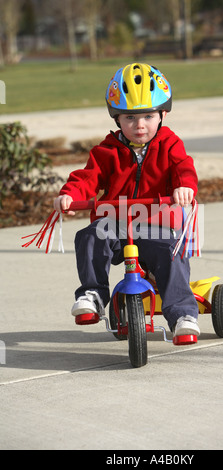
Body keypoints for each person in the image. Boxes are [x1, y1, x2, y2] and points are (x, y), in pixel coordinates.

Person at [53, 63, 200, 339]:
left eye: (147, 116)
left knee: (172, 253)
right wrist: (71, 194)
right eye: (130, 117)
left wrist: (184, 187)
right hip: (116, 224)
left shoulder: (170, 145)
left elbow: (184, 167)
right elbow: (88, 177)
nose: (139, 125)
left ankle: (183, 314)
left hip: (157, 225)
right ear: (116, 118)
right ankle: (93, 295)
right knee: (89, 237)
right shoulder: (106, 151)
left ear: (163, 114)